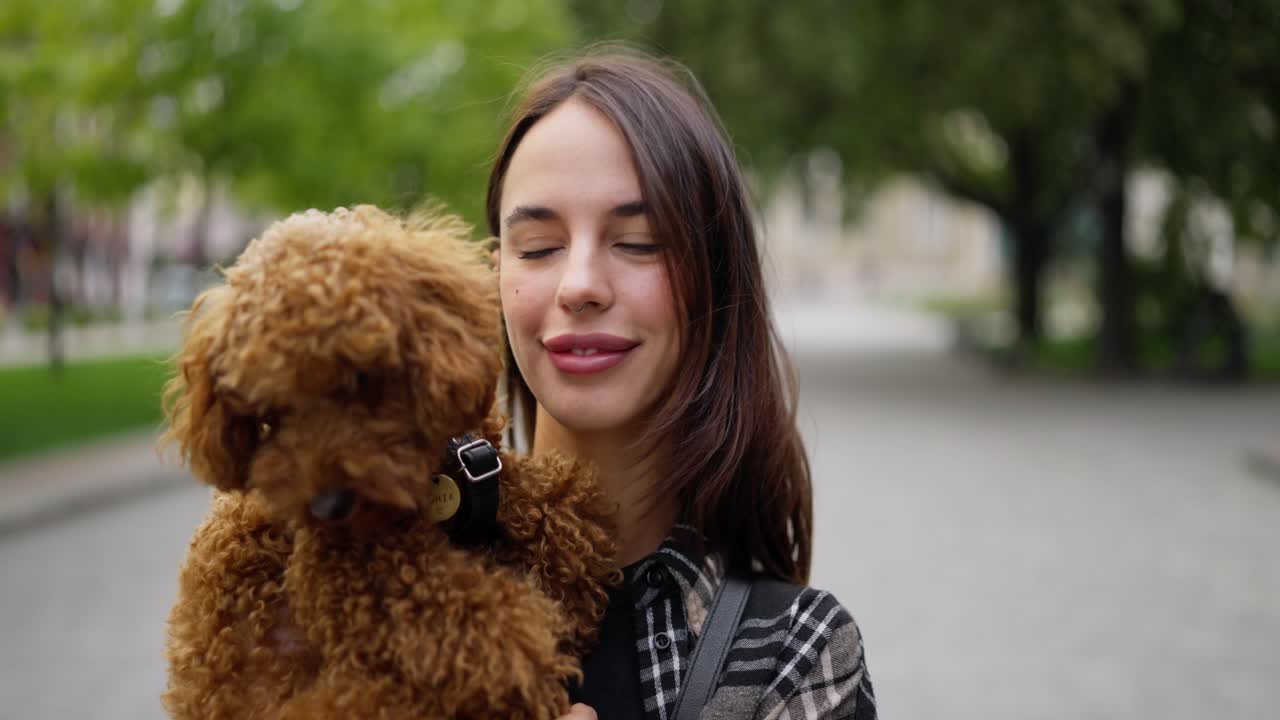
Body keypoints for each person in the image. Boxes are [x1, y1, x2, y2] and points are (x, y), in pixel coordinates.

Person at [487, 47, 877, 720]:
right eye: (539, 248)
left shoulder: (799, 653)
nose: (579, 284)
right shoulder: (391, 581)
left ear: (716, 275)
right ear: (494, 274)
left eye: (638, 242)